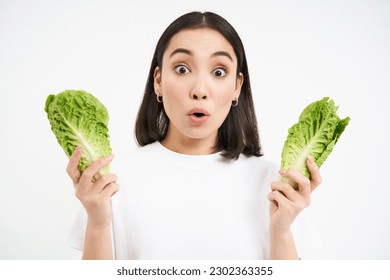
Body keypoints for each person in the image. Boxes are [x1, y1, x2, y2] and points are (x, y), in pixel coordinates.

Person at [66, 11, 322, 260]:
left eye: (219, 72)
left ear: (236, 86)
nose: (199, 90)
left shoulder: (277, 185)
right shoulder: (110, 181)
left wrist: (281, 232)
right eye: (182, 69)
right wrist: (98, 224)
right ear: (158, 80)